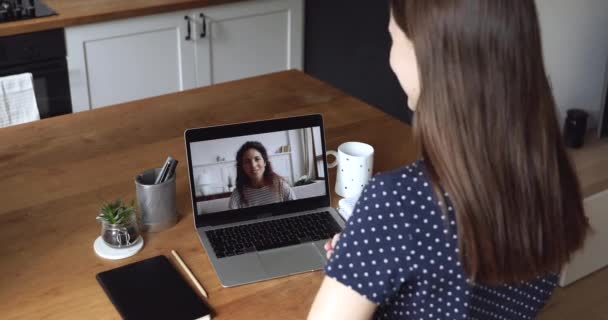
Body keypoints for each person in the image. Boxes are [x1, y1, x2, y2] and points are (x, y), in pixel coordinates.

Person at [308, 0, 589, 319]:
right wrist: (369, 253)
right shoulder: (553, 179)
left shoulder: (397, 201)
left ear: (424, 54)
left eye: (393, 39)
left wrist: (371, 245)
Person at [228, 141, 296, 209]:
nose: (253, 165)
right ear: (242, 167)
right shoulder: (237, 195)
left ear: (264, 162)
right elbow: (232, 218)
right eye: (247, 161)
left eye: (257, 159)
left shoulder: (281, 186)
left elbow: (295, 209)